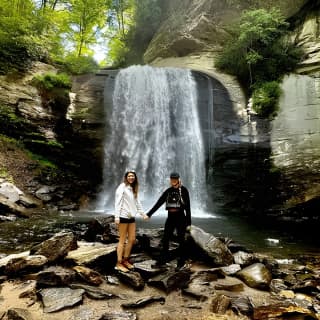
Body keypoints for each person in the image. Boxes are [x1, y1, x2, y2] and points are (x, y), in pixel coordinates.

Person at [146, 172, 191, 270]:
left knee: (181, 240)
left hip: (181, 218)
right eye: (172, 179)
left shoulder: (184, 190)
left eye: (175, 179)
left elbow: (188, 207)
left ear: (178, 179)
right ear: (170, 180)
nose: (173, 180)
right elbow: (159, 203)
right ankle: (163, 260)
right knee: (165, 239)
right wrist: (149, 214)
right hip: (170, 218)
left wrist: (189, 223)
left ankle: (181, 262)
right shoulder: (168, 191)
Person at [114, 170, 148, 272]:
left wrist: (143, 214)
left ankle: (125, 260)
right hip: (123, 216)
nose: (131, 177)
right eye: (129, 176)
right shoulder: (122, 187)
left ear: (135, 178)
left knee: (132, 239)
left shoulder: (133, 188)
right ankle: (118, 263)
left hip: (131, 217)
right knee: (122, 240)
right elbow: (118, 202)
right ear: (126, 177)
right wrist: (117, 216)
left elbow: (137, 203)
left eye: (132, 176)